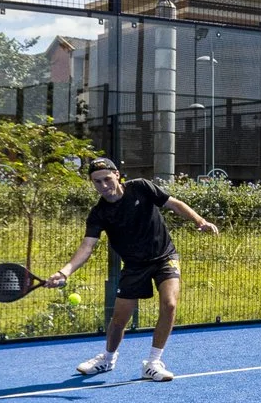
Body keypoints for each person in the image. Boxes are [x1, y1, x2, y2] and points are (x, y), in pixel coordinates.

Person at [42, 158, 217, 381]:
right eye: (97, 182)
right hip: (134, 266)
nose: (104, 185)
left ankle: (153, 363)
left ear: (117, 175)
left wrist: (199, 221)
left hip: (164, 256)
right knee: (119, 319)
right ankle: (107, 358)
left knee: (170, 304)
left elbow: (173, 203)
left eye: (107, 178)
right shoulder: (99, 213)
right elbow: (87, 247)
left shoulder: (141, 187)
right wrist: (64, 272)